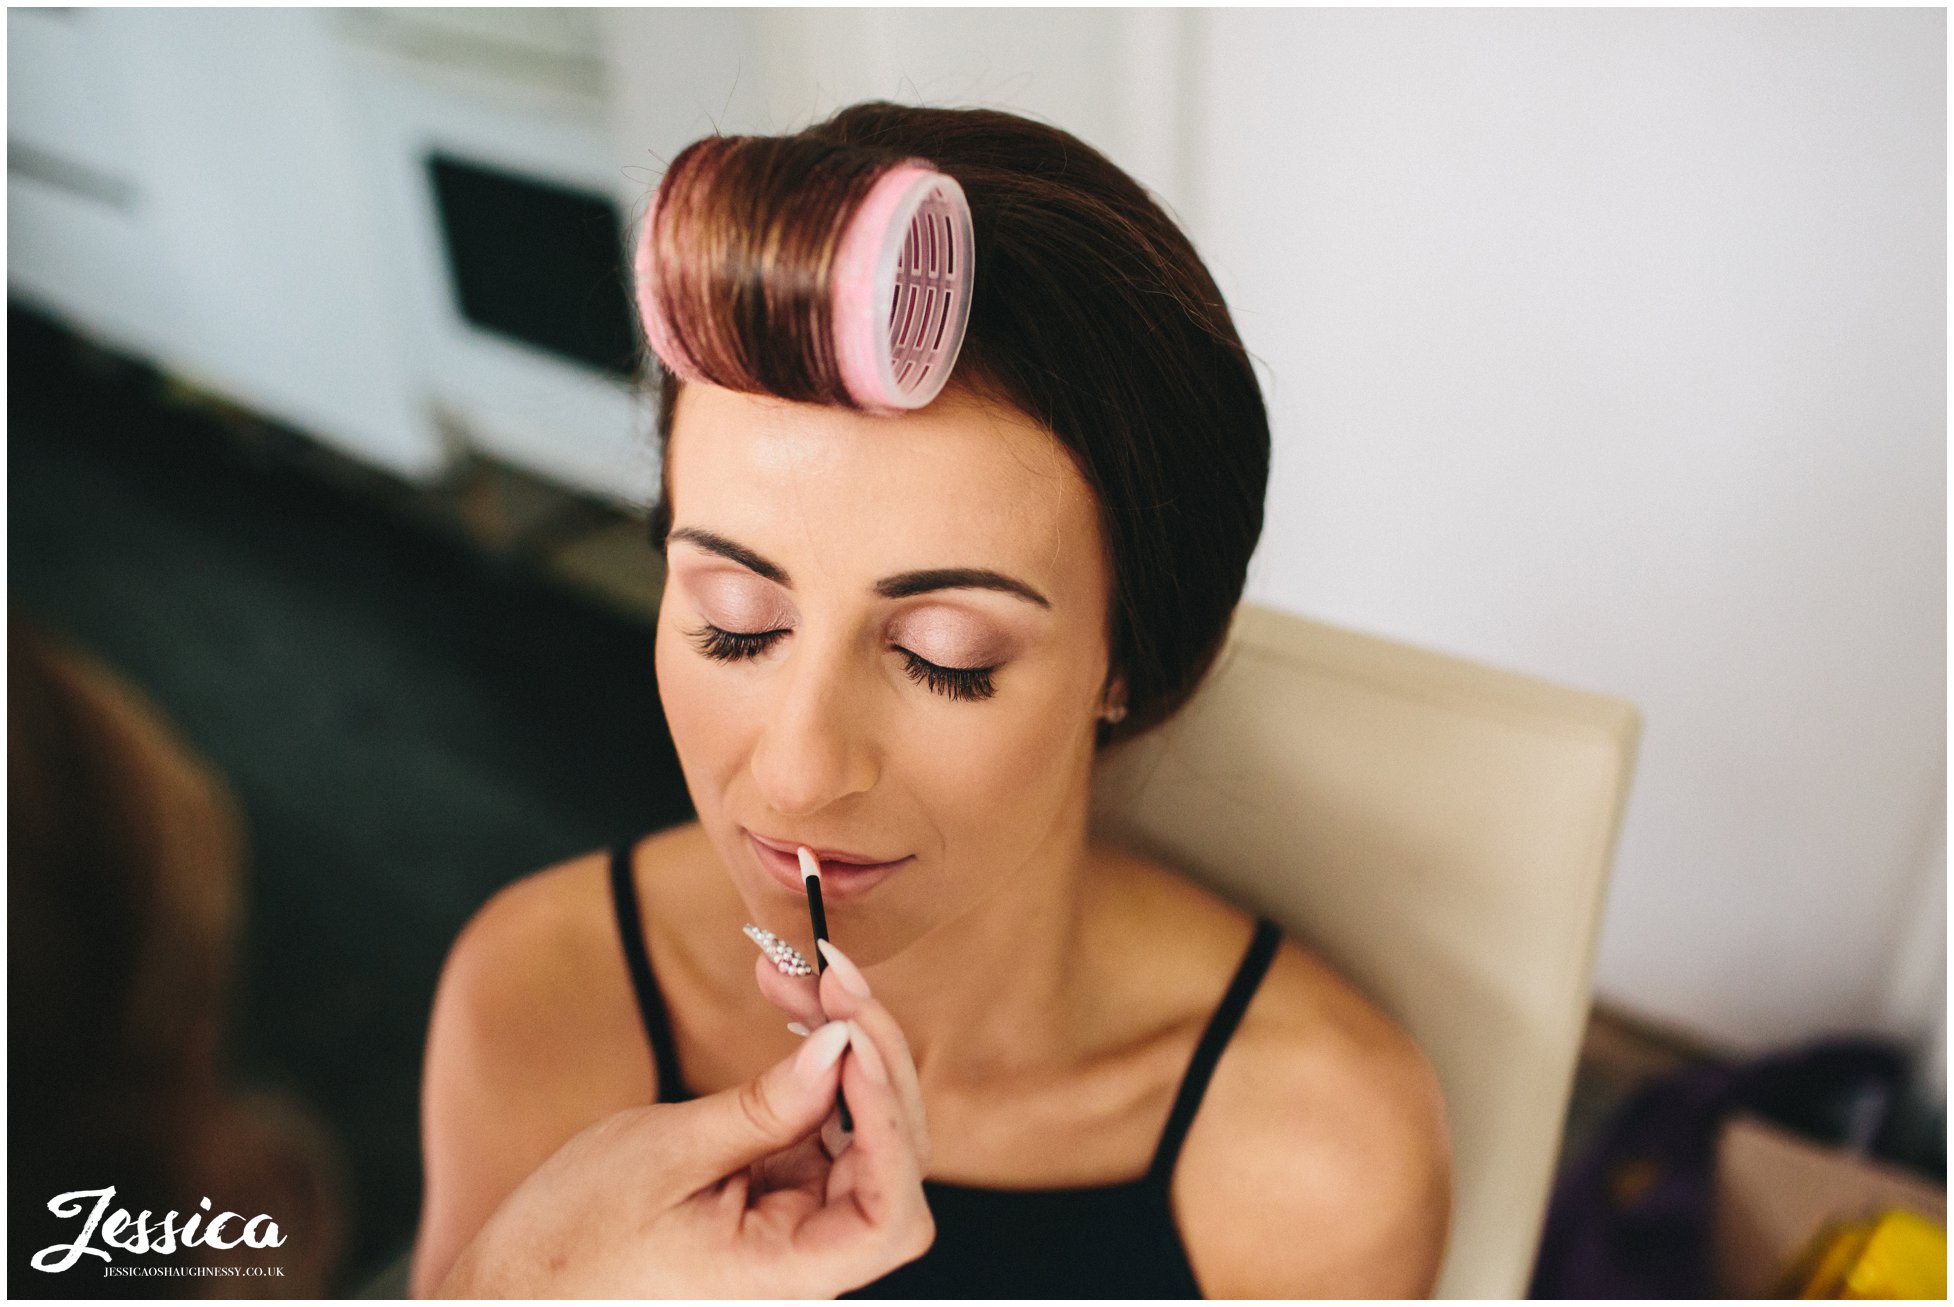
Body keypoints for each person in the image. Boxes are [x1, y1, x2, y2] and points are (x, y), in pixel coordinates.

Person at [412, 101, 1452, 1297]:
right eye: (733, 623)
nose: (799, 772)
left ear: (1125, 654)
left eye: (947, 655)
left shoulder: (1314, 1146)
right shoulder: (536, 998)